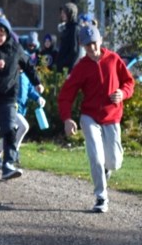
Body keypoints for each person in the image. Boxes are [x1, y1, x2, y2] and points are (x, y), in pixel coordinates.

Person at [58, 24, 135, 213]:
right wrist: (67, 118)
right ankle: (101, 197)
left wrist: (122, 93)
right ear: (82, 46)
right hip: (89, 117)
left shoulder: (114, 59)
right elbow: (66, 95)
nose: (91, 48)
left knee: (114, 162)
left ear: (100, 41)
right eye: (87, 45)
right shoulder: (81, 67)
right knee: (96, 157)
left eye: (94, 43)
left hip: (111, 116)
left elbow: (129, 82)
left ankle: (107, 171)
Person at [0, 16, 44, 179]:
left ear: (7, 34)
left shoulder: (15, 49)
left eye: (1, 35)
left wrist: (37, 82)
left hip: (8, 96)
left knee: (9, 129)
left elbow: (28, 65)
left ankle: (8, 163)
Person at [56, 2, 79, 73]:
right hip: (62, 67)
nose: (62, 14)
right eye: (62, 12)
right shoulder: (67, 27)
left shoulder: (74, 28)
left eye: (64, 12)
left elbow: (74, 51)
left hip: (68, 69)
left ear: (70, 13)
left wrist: (64, 64)